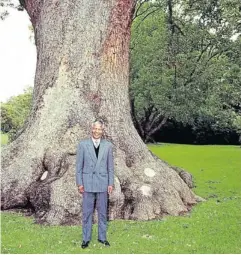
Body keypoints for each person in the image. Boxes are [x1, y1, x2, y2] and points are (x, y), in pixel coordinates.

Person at [76, 119, 114, 249]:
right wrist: (79, 183)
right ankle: (85, 239)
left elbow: (110, 167)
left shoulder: (108, 146)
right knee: (87, 213)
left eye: (100, 129)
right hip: (87, 184)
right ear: (92, 129)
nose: (97, 131)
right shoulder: (83, 145)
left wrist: (110, 183)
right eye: (95, 128)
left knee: (102, 212)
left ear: (102, 131)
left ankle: (102, 237)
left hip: (103, 183)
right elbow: (79, 167)